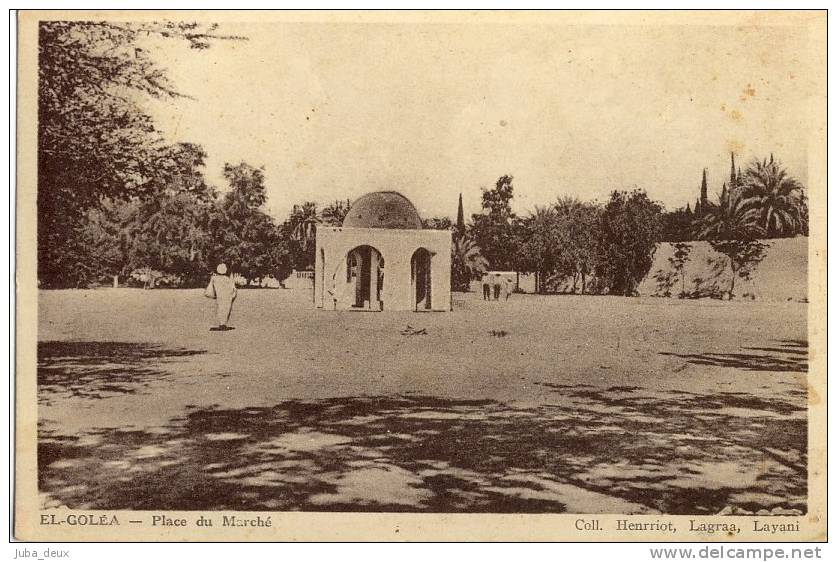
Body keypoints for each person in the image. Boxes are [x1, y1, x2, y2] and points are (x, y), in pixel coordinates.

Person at [205, 263, 237, 331]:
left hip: (219, 295)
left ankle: (221, 323)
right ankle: (223, 323)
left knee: (220, 308)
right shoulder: (227, 279)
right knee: (227, 309)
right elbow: (233, 287)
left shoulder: (214, 278)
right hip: (228, 295)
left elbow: (211, 285)